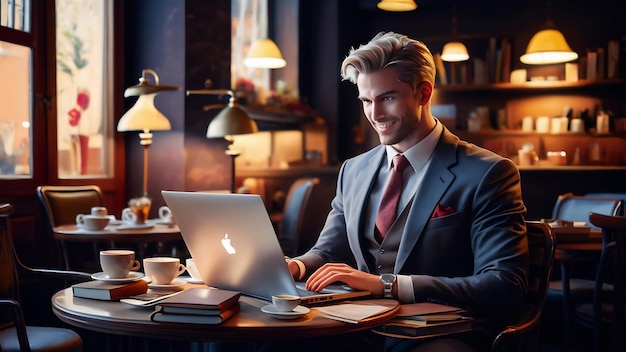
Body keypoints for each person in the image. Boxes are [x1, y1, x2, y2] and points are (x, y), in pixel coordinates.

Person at [266, 32, 529, 352]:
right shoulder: (353, 170)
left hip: (440, 331)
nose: (375, 115)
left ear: (424, 92)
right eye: (366, 101)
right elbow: (329, 252)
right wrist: (294, 266)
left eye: (387, 98)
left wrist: (388, 285)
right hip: (358, 324)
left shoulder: (488, 173)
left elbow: (503, 287)